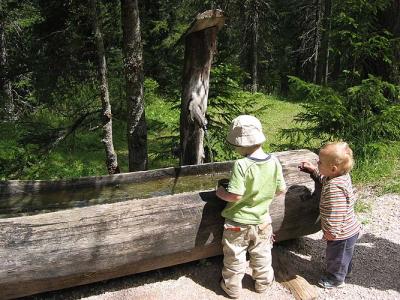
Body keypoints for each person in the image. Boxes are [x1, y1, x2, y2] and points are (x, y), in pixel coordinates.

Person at [216, 115, 286, 298]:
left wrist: (221, 193)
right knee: (262, 254)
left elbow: (235, 195)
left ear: (241, 144)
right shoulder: (274, 161)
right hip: (263, 221)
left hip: (237, 223)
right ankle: (263, 283)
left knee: (235, 255)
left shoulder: (241, 165)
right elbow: (281, 190)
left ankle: (232, 287)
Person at [299, 142, 361, 289]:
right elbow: (324, 179)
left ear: (333, 168)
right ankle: (346, 270)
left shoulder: (335, 189)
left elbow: (336, 213)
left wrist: (331, 233)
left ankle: (336, 278)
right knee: (344, 254)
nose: (317, 162)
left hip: (341, 233)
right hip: (348, 230)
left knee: (336, 256)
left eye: (320, 162)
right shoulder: (339, 176)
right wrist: (314, 171)